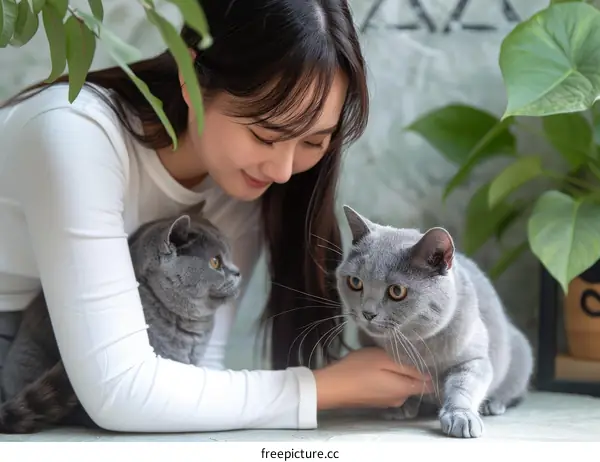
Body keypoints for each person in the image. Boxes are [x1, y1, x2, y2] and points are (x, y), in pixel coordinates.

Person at [0, 0, 431, 432]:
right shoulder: (75, 134)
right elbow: (120, 391)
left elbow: (198, 366)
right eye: (265, 136)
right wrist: (322, 389)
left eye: (314, 143)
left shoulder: (238, 180)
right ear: (191, 80)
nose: (283, 170)